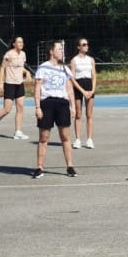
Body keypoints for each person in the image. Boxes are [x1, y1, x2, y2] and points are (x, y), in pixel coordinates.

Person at [32, 40, 92, 179]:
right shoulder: (43, 67)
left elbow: (69, 88)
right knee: (44, 137)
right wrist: (38, 107)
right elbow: (37, 88)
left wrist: (72, 106)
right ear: (51, 51)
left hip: (62, 104)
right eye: (59, 49)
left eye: (62, 49)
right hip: (47, 103)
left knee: (65, 137)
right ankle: (39, 167)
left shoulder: (65, 68)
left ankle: (70, 166)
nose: (62, 51)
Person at [0, 37, 30, 141]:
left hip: (20, 84)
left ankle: (18, 132)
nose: (21, 43)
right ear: (14, 44)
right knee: (7, 110)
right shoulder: (9, 54)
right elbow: (2, 68)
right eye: (19, 42)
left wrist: (26, 72)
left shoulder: (23, 54)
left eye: (22, 42)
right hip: (10, 84)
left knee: (20, 107)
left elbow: (20, 67)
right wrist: (1, 82)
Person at [70, 37, 97, 149]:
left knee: (89, 114)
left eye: (87, 44)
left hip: (89, 85)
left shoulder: (91, 60)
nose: (86, 46)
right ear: (78, 47)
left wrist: (93, 89)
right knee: (78, 114)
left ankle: (89, 139)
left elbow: (94, 75)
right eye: (84, 44)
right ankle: (77, 139)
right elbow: (72, 78)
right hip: (78, 86)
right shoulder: (74, 60)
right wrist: (82, 91)